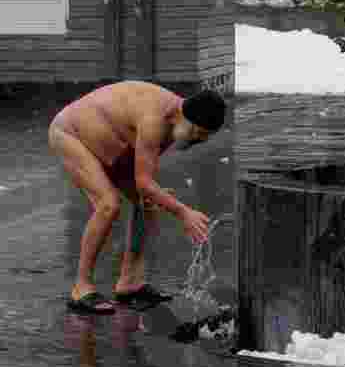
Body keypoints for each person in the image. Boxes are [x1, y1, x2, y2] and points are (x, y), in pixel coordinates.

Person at [49, 81, 225, 315]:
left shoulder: (176, 122)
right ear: (187, 118)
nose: (194, 141)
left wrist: (157, 197)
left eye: (203, 138)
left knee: (147, 204)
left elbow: (144, 183)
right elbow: (144, 182)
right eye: (197, 133)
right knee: (108, 204)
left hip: (110, 142)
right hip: (70, 134)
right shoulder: (155, 120)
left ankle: (129, 283)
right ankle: (81, 288)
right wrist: (183, 212)